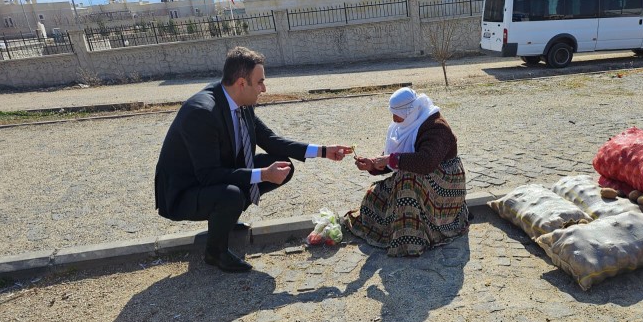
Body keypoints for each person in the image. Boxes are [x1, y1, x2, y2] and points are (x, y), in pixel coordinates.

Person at [154, 46, 352, 273]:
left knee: (283, 164)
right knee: (231, 195)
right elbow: (208, 175)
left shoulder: (241, 103)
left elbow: (271, 140)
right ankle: (215, 252)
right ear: (241, 83)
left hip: (211, 178)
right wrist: (263, 174)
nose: (264, 89)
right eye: (260, 82)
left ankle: (225, 219)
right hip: (184, 192)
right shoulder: (202, 112)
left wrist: (324, 151)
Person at [345, 87, 469, 257]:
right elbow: (395, 159)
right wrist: (373, 165)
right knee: (375, 195)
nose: (394, 119)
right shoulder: (404, 125)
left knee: (407, 184)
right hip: (417, 174)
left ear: (409, 111)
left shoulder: (437, 127)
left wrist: (390, 160)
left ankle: (411, 242)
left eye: (397, 114)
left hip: (445, 178)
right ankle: (393, 231)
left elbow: (426, 162)